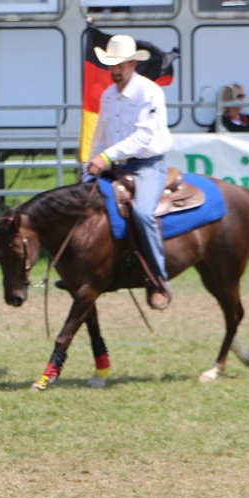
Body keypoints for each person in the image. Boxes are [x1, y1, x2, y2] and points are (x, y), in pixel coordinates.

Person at [85, 35, 173, 311]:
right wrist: (90, 165)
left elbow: (143, 136)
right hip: (117, 166)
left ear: (133, 63)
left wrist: (105, 156)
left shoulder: (149, 92)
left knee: (143, 213)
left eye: (120, 64)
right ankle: (88, 272)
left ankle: (159, 280)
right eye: (111, 65)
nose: (114, 70)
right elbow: (101, 135)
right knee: (85, 205)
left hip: (148, 165)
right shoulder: (108, 95)